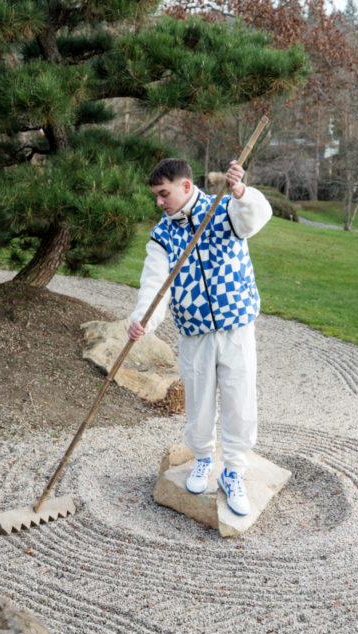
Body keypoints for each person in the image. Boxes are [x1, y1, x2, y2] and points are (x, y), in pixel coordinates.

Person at [127, 158, 272, 516]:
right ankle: (203, 459)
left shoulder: (225, 208)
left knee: (240, 400)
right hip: (195, 333)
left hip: (236, 326)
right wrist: (142, 319)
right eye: (157, 196)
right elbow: (155, 285)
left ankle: (233, 471)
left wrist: (240, 191)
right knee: (199, 403)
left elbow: (255, 218)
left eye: (164, 194)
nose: (160, 202)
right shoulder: (163, 235)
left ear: (186, 186)